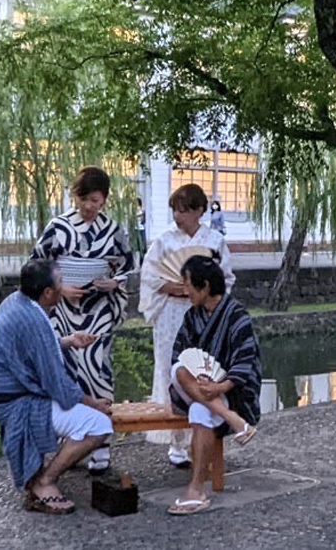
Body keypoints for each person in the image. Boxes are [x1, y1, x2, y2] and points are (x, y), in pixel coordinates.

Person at [0, 259, 113, 515]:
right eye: (60, 282)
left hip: (11, 396)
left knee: (87, 416)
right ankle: (45, 481)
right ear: (48, 292)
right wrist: (93, 403)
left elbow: (34, 349)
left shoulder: (17, 302)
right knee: (98, 424)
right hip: (17, 404)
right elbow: (55, 382)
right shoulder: (31, 318)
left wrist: (68, 341)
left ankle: (42, 476)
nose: (64, 286)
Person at [29, 165, 137, 473]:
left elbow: (128, 266)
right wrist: (59, 287)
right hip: (63, 308)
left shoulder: (113, 230)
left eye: (95, 200)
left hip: (99, 308)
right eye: (83, 199)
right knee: (65, 370)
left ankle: (100, 444)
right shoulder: (59, 227)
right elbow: (36, 264)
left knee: (97, 368)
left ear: (105, 200)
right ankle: (70, 442)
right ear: (74, 197)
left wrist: (114, 283)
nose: (88, 206)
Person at [138, 183, 235, 469]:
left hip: (201, 312)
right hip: (171, 311)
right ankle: (177, 442)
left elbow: (226, 279)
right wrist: (169, 286)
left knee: (202, 370)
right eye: (175, 210)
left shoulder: (215, 241)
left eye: (183, 210)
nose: (178, 216)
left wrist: (205, 294)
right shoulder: (164, 241)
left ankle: (201, 439)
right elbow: (149, 274)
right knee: (172, 370)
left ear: (199, 211)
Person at [167, 255, 262, 516]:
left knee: (200, 410)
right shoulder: (192, 317)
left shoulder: (237, 315)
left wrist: (219, 387)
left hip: (230, 391)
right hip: (198, 389)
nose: (185, 290)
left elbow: (246, 360)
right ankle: (232, 419)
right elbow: (179, 355)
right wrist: (203, 383)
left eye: (188, 284)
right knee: (178, 369)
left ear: (205, 286)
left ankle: (195, 490)